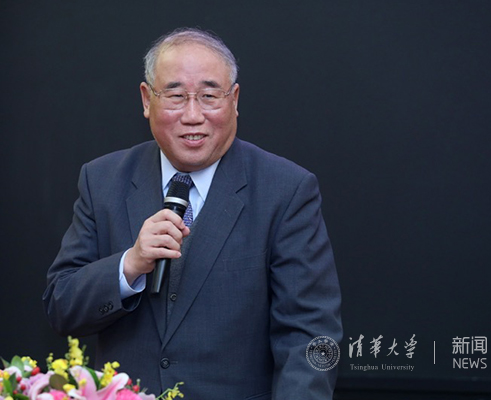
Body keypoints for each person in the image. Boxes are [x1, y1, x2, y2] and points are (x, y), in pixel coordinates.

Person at [43, 27, 342, 399]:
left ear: (234, 100)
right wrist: (129, 265)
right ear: (146, 99)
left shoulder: (285, 190)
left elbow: (311, 335)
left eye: (209, 96)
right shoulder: (102, 180)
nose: (193, 115)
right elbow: (61, 307)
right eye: (175, 96)